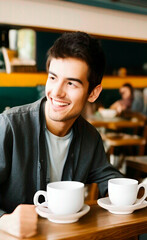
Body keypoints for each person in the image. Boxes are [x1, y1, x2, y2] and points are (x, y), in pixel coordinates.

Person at [0, 31, 123, 238]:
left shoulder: (90, 137)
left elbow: (108, 178)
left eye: (71, 83)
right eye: (53, 77)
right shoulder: (10, 125)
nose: (56, 92)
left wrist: (130, 192)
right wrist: (4, 220)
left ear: (93, 93)